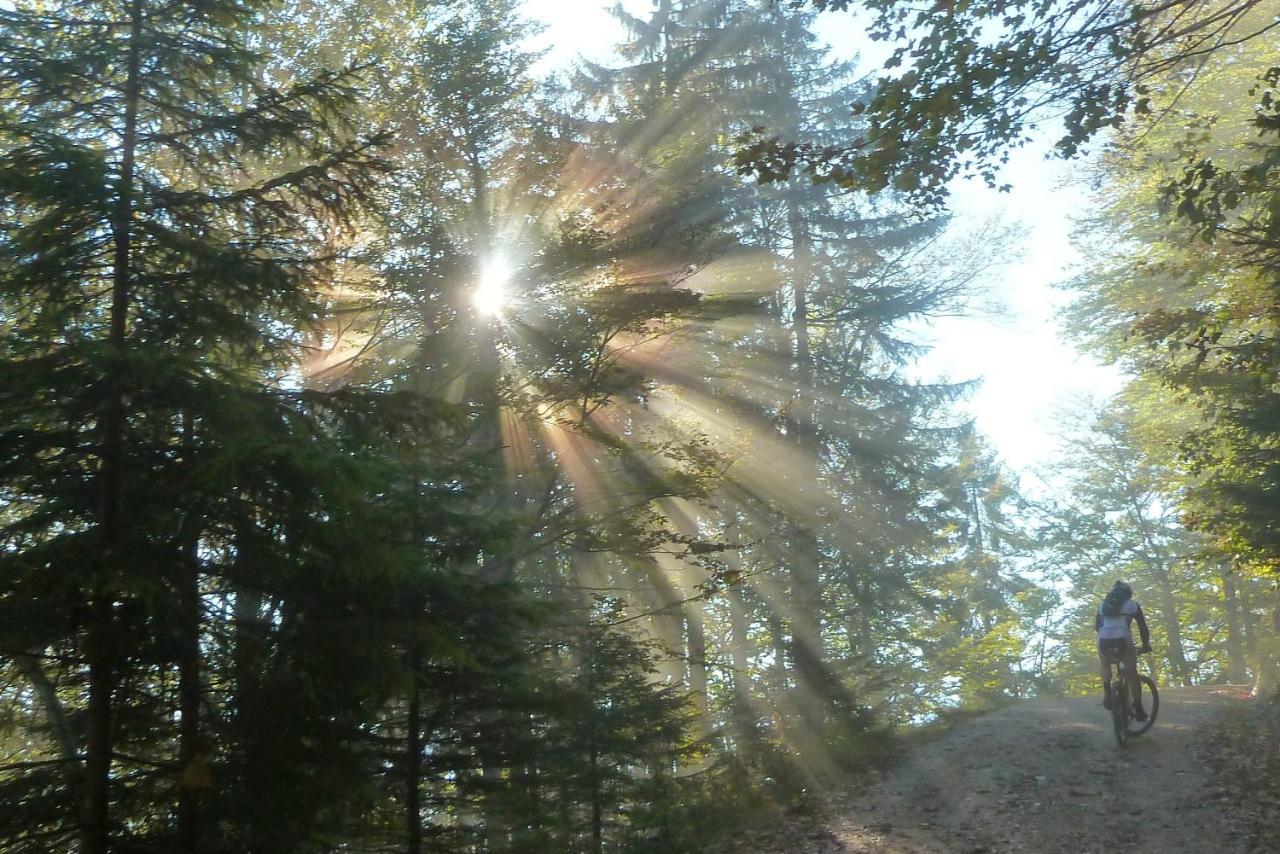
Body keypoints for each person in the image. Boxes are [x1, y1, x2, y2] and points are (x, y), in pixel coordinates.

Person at [1096, 581, 1152, 720]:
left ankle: (1107, 691)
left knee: (1105, 663)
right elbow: (1143, 628)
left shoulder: (1102, 605)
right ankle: (1138, 708)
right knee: (1132, 673)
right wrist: (1145, 645)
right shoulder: (1133, 605)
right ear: (1128, 594)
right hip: (1123, 637)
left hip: (1103, 638)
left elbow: (1097, 626)